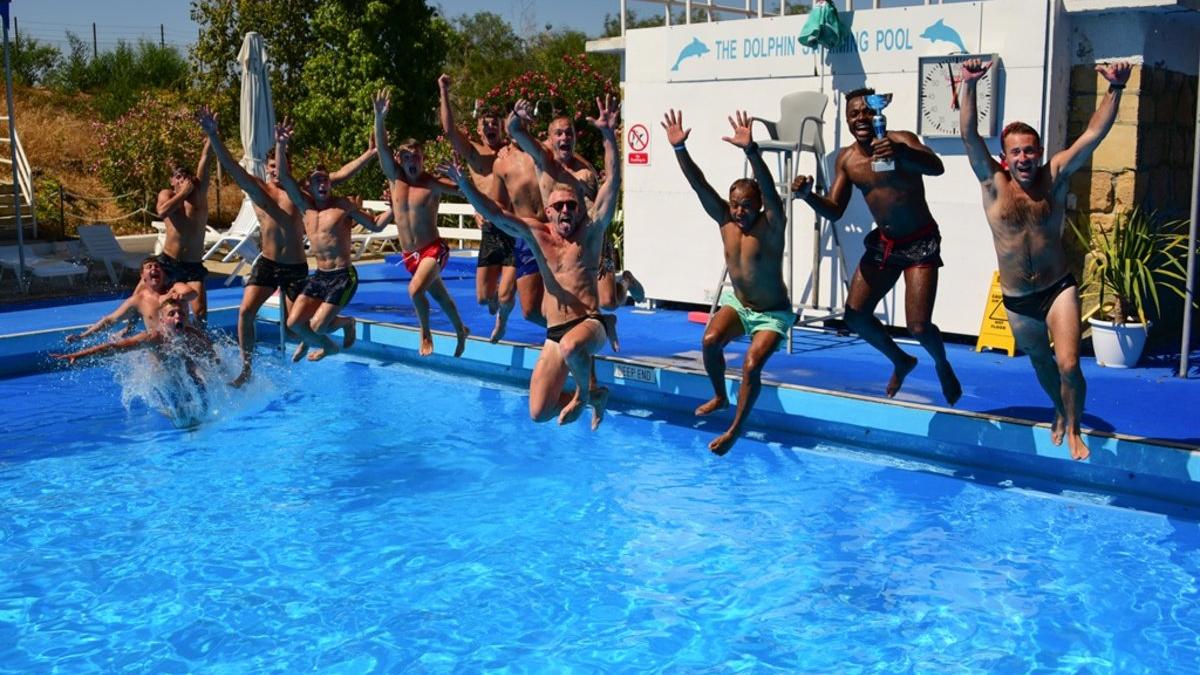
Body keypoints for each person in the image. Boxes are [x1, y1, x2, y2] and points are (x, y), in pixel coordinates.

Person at [959, 58, 1130, 461]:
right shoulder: (993, 183)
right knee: (1041, 362)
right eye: (1016, 152)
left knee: (1069, 364)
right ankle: (1060, 407)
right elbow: (968, 134)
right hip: (1018, 299)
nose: (1024, 158)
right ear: (1004, 157)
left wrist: (1116, 88)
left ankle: (1074, 427)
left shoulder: (1055, 175)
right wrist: (969, 84)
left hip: (1057, 289)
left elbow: (1093, 134)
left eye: (1030, 150)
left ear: (1039, 152)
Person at [445, 94, 622, 430]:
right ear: (548, 211)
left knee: (574, 344)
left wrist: (608, 136)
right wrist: (465, 185)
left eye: (572, 206)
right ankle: (597, 397)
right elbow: (496, 213)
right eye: (559, 207)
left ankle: (585, 393)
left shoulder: (590, 234)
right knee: (539, 412)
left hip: (589, 323)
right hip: (555, 333)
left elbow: (612, 181)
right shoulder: (538, 235)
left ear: (580, 210)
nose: (566, 211)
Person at [791, 88, 962, 406]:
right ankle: (901, 360)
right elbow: (835, 210)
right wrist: (808, 197)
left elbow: (936, 167)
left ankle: (942, 363)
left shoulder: (901, 140)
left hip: (919, 242)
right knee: (855, 317)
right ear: (847, 120)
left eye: (867, 111)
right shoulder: (848, 160)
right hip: (885, 245)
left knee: (919, 326)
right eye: (853, 114)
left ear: (878, 113)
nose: (861, 118)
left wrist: (902, 154)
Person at [196, 106, 375, 386]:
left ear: (287, 167)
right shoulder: (259, 190)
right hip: (267, 264)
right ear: (266, 170)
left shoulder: (301, 192)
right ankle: (246, 369)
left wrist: (369, 154)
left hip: (295, 267)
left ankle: (342, 323)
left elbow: (339, 175)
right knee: (245, 312)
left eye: (279, 166)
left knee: (295, 328)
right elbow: (231, 167)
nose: (275, 171)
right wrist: (213, 135)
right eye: (271, 167)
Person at [663, 109, 794, 456]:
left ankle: (735, 430)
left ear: (759, 205)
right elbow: (699, 184)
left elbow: (770, 191)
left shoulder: (772, 225)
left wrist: (752, 151)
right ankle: (720, 395)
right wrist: (679, 149)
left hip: (772, 314)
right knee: (709, 341)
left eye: (747, 206)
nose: (739, 212)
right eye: (735, 205)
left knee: (751, 365)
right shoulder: (724, 220)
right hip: (740, 305)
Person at [506, 99, 645, 312]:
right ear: (550, 138)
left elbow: (607, 195)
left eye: (569, 133)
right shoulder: (543, 160)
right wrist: (517, 115)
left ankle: (625, 281)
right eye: (559, 134)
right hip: (557, 238)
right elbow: (515, 130)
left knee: (608, 302)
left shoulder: (585, 172)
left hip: (588, 237)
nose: (565, 138)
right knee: (532, 311)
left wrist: (608, 136)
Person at [275, 121, 386, 362]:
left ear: (330, 183)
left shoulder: (343, 206)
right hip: (320, 276)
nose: (323, 184)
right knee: (294, 323)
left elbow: (376, 225)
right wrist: (280, 145)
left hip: (343, 277)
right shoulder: (306, 207)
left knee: (317, 325)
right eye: (317, 181)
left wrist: (396, 206)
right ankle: (328, 346)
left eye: (325, 180)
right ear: (309, 186)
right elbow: (283, 176)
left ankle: (346, 323)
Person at [373, 88, 469, 357]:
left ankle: (425, 334)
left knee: (415, 290)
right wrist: (379, 118)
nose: (412, 162)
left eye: (416, 157)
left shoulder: (432, 183)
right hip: (410, 257)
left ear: (423, 159)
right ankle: (461, 330)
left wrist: (461, 179)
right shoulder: (395, 179)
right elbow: (382, 148)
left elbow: (463, 191)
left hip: (434, 250)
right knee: (440, 296)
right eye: (407, 158)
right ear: (399, 160)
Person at [438, 74, 517, 342]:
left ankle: (503, 320)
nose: (491, 127)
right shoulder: (474, 155)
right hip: (491, 231)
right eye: (486, 124)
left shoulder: (511, 153)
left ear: (502, 128)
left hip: (514, 229)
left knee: (505, 295)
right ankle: (499, 305)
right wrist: (444, 90)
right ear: (479, 130)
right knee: (484, 298)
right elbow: (449, 130)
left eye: (495, 123)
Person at [66, 257, 196, 343]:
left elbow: (192, 293)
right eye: (149, 267)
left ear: (162, 274)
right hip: (158, 350)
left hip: (182, 343)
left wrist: (181, 296)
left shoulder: (174, 289)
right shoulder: (138, 300)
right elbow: (110, 320)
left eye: (157, 267)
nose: (154, 269)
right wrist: (82, 336)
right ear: (142, 276)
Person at [154, 137, 213, 324]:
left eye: (185, 176)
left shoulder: (199, 195)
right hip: (168, 261)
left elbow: (205, 160)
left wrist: (211, 138)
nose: (182, 180)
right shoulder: (166, 194)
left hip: (193, 265)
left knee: (200, 312)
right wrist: (183, 193)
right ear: (172, 180)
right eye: (178, 177)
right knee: (147, 301)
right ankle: (130, 329)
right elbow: (162, 212)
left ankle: (199, 340)